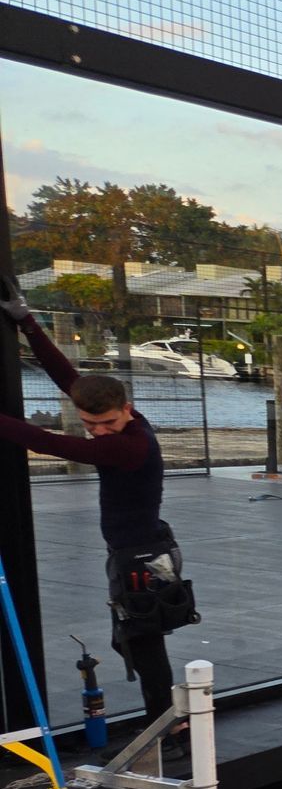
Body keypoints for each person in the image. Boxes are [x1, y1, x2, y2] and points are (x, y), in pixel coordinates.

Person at [0, 275, 194, 744]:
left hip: (142, 557)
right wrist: (28, 322)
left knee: (144, 643)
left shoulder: (128, 446)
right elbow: (70, 379)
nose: (98, 431)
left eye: (106, 423)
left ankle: (171, 726)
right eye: (90, 424)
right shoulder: (119, 417)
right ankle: (169, 722)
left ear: (127, 409)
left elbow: (43, 441)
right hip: (142, 550)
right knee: (143, 641)